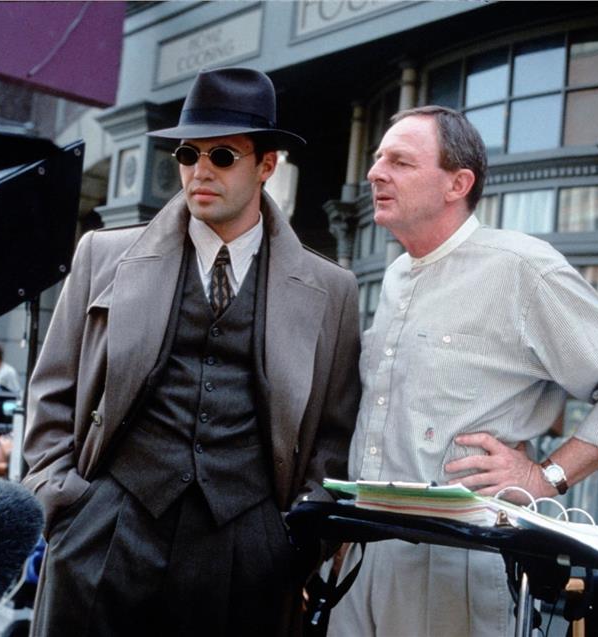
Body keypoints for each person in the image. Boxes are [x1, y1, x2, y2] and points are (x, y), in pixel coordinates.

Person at [21, 67, 361, 636]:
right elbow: (52, 389)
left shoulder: (332, 290)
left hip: (249, 550)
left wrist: (296, 538)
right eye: (187, 154)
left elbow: (334, 433)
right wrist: (64, 503)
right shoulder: (103, 255)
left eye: (222, 156)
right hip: (106, 530)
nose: (200, 171)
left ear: (267, 165)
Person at [327, 105, 598, 636]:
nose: (376, 173)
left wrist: (546, 476)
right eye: (378, 159)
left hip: (457, 564)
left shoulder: (522, 268)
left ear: (458, 183)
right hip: (362, 557)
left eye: (400, 162)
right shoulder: (397, 275)